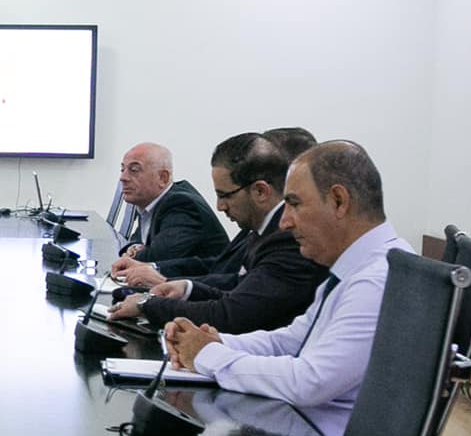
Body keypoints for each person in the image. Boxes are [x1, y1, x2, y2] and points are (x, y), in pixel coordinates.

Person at [165, 140, 412, 436]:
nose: (284, 221)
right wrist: (214, 341)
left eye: (294, 204)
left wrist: (207, 355)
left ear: (338, 201)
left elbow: (309, 381)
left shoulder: (376, 279)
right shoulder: (354, 268)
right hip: (303, 434)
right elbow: (291, 341)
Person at [110, 132, 327, 334]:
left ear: (261, 191)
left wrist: (148, 304)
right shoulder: (258, 227)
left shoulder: (287, 238)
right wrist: (187, 287)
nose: (219, 207)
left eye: (225, 196)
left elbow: (233, 314)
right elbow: (238, 283)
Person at [114, 141, 229, 266]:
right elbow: (139, 240)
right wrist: (134, 247)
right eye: (122, 169)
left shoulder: (181, 205)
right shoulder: (149, 201)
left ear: (163, 178)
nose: (123, 178)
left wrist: (131, 255)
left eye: (134, 170)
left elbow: (157, 259)